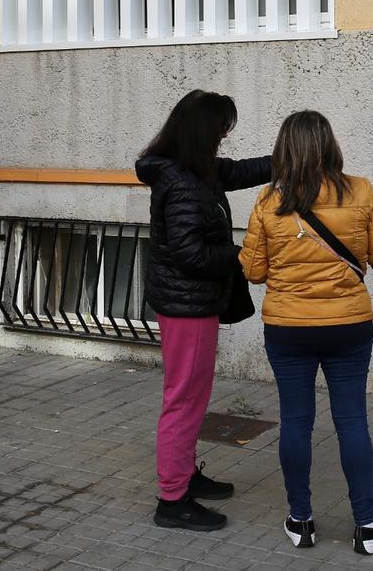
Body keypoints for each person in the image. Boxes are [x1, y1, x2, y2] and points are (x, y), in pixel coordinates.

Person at [238, 110, 373, 555]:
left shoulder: (268, 201)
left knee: (295, 421)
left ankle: (301, 520)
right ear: (330, 144)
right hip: (347, 327)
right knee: (351, 421)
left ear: (283, 150)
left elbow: (253, 271)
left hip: (288, 328)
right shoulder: (361, 191)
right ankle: (367, 525)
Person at [135, 90, 271, 531]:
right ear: (202, 133)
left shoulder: (193, 171)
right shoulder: (182, 185)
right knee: (184, 400)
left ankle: (185, 475)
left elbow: (236, 171)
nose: (223, 139)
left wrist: (284, 158)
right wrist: (242, 253)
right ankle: (173, 500)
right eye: (220, 131)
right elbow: (192, 254)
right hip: (187, 307)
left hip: (191, 303)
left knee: (192, 397)